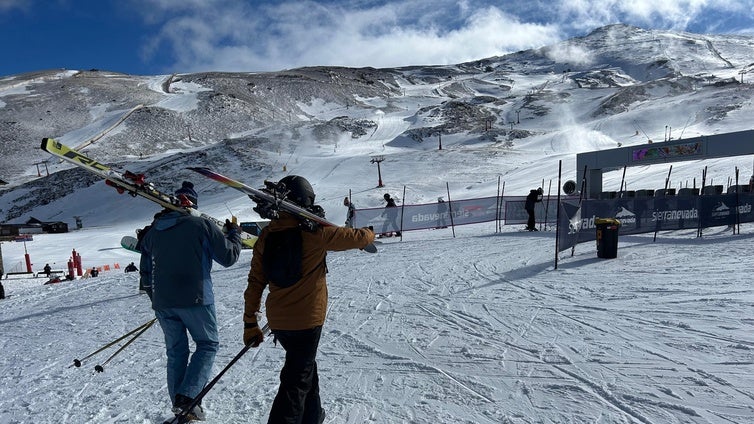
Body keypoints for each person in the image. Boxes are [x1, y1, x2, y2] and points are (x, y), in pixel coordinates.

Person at [243, 175, 374, 424]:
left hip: (280, 321)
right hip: (307, 321)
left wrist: (250, 322)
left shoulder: (267, 236)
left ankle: (313, 416)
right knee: (296, 380)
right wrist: (369, 234)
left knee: (303, 368)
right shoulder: (315, 234)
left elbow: (255, 283)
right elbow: (354, 237)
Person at [139, 181, 242, 421]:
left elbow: (145, 272)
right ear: (194, 205)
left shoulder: (153, 231)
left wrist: (157, 298)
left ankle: (181, 404)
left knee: (176, 352)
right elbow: (228, 257)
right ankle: (187, 399)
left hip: (163, 302)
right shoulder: (201, 224)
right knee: (207, 344)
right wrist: (234, 234)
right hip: (195, 297)